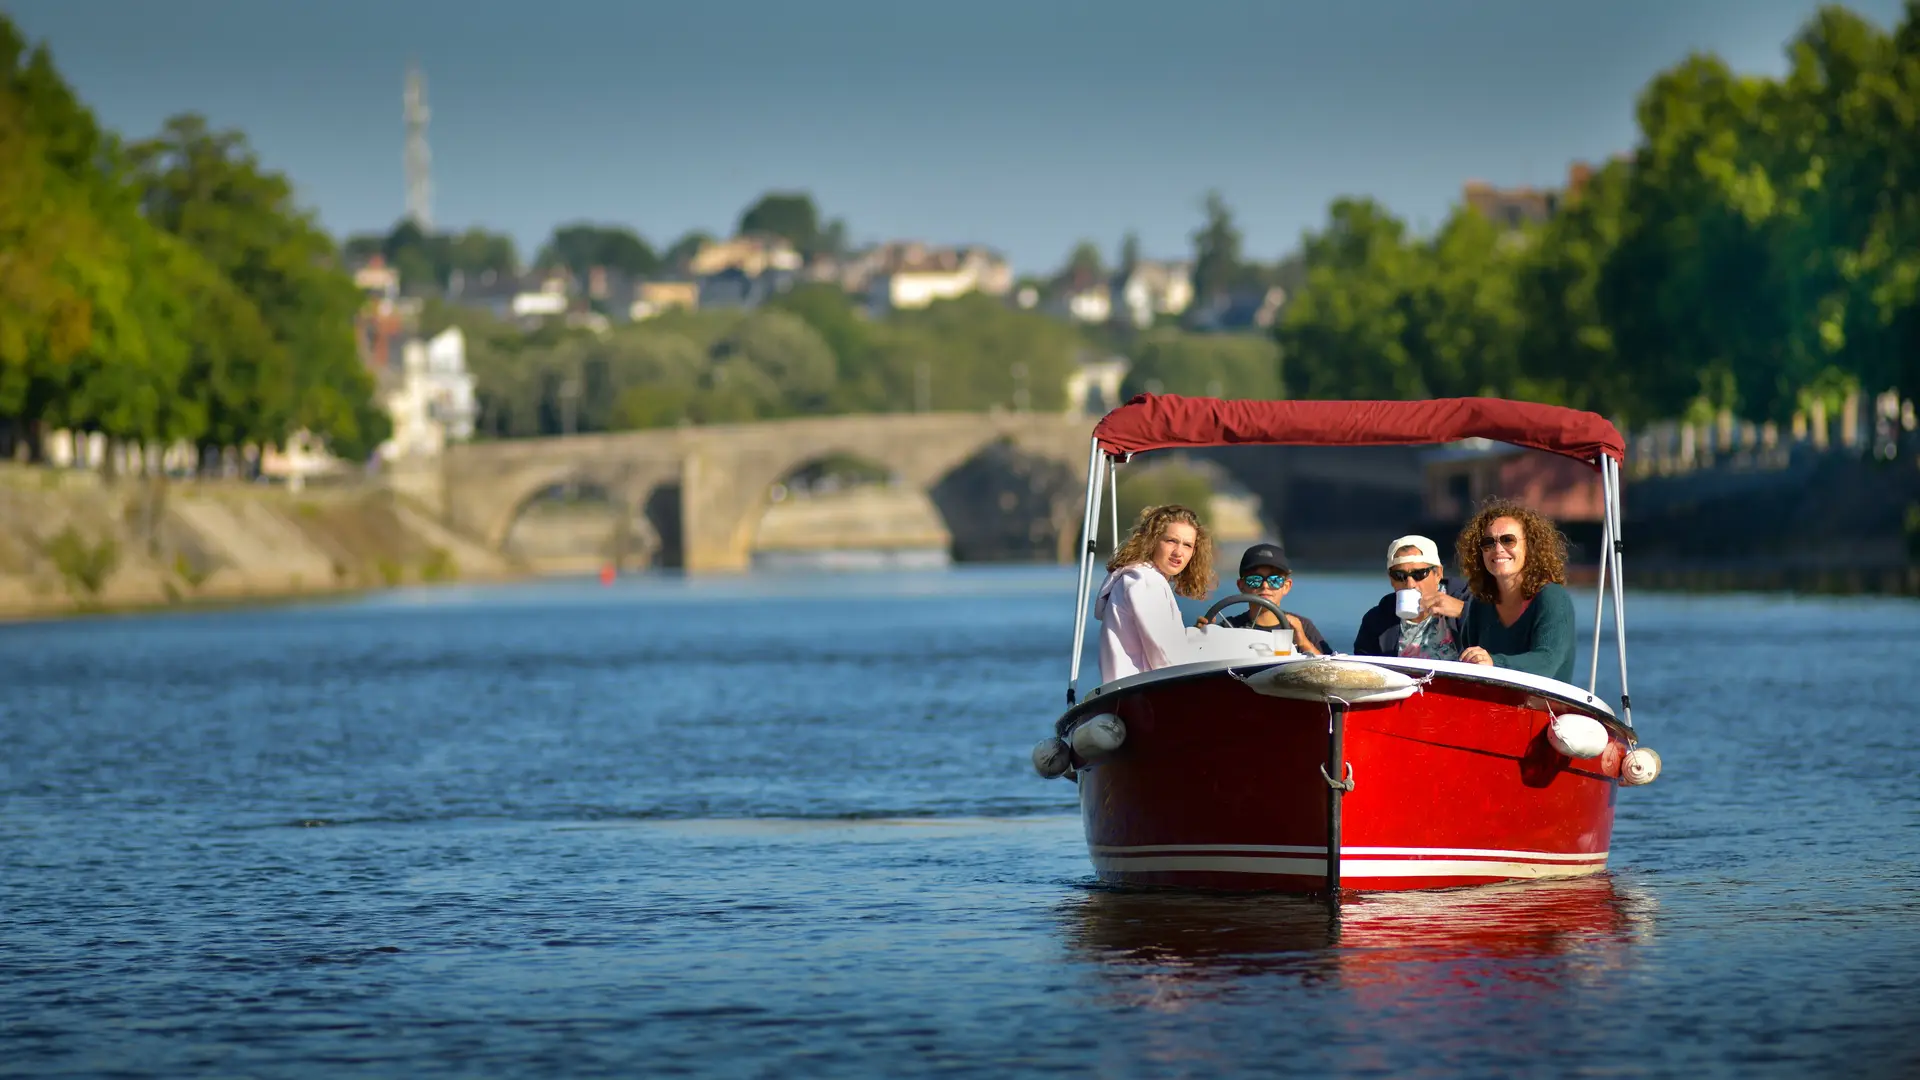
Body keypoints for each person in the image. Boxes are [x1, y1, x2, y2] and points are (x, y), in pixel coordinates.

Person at [1455, 498, 1577, 684]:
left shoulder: (1552, 598)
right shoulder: (1479, 604)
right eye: (1488, 543)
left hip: (1545, 709)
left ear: (1530, 546)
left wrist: (1493, 663)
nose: (1498, 549)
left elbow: (1547, 662)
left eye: (1508, 540)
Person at [1094, 504, 1217, 683]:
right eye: (1171, 541)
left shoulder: (1137, 578)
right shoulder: (1146, 581)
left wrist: (1194, 636)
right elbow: (1166, 659)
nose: (1178, 552)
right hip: (1141, 693)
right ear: (1152, 541)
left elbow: (1160, 644)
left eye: (1188, 545)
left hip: (1129, 691)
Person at [1204, 542, 1331, 656]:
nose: (1265, 586)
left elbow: (1329, 670)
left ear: (1286, 586)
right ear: (1241, 586)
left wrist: (1303, 642)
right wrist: (1201, 635)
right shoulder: (1228, 628)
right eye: (1255, 580)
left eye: (1274, 580)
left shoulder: (1302, 627)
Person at [1352, 534, 1468, 660]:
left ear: (1438, 574)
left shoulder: (1469, 601)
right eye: (1399, 576)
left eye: (1419, 574)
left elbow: (1491, 641)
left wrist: (1464, 611)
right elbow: (1365, 669)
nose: (1410, 584)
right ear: (1391, 579)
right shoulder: (1376, 621)